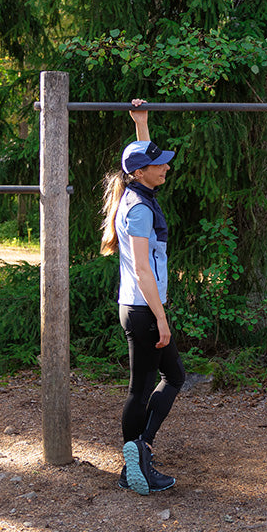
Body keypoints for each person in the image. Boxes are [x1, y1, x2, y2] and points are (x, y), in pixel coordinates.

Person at [100, 99, 185, 493]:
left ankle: (141, 449)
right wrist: (161, 318)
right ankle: (135, 457)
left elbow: (141, 157)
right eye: (160, 163)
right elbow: (142, 268)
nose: (166, 166)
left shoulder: (137, 193)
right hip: (142, 308)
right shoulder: (139, 210)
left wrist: (142, 123)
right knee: (141, 387)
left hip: (141, 306)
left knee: (174, 376)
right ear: (140, 173)